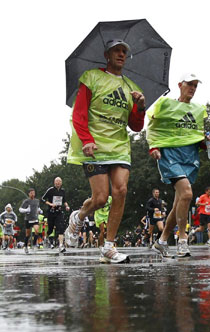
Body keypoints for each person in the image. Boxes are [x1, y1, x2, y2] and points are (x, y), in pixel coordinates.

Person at [64, 39, 146, 263]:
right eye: (116, 51)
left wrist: (140, 107)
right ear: (107, 55)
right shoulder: (92, 77)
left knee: (120, 191)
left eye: (124, 51)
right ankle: (78, 217)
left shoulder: (131, 87)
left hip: (119, 146)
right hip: (95, 146)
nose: (121, 54)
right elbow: (78, 114)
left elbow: (136, 126)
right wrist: (87, 139)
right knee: (100, 198)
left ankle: (109, 247)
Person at [146, 72, 210, 257]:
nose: (192, 88)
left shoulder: (198, 110)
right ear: (180, 85)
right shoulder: (166, 104)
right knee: (187, 193)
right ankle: (182, 240)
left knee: (180, 203)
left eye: (195, 85)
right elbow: (152, 128)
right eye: (189, 84)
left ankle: (161, 241)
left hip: (190, 159)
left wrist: (206, 140)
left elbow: (195, 135)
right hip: (170, 157)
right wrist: (153, 147)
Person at [42, 177, 70, 252]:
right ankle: (45, 238)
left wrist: (67, 206)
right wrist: (50, 204)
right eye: (56, 181)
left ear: (61, 183)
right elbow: (42, 199)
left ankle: (61, 245)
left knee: (61, 228)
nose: (58, 183)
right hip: (51, 212)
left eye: (59, 181)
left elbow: (64, 200)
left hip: (59, 212)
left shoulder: (62, 191)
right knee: (50, 230)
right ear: (54, 182)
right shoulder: (50, 190)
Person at [19, 188, 43, 254]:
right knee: (28, 234)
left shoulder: (37, 201)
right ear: (29, 194)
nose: (33, 194)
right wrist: (26, 210)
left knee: (37, 231)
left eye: (34, 193)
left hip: (35, 218)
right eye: (31, 193)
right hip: (28, 219)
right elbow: (20, 209)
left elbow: (38, 207)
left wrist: (40, 210)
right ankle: (26, 246)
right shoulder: (26, 201)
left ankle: (35, 244)